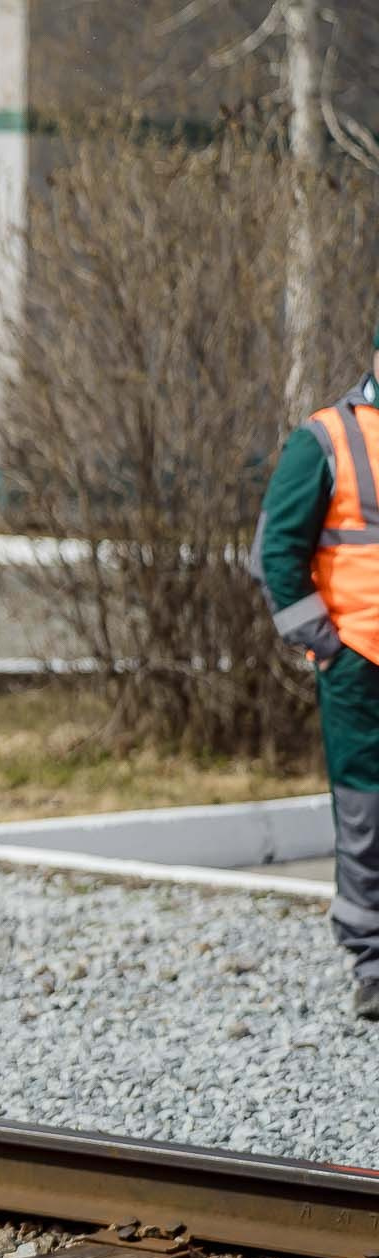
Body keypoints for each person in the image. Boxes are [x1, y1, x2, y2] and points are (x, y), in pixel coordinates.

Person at [256, 317, 379, 1022]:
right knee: (367, 812)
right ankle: (373, 965)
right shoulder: (327, 439)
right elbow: (275, 552)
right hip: (360, 660)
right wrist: (324, 645)